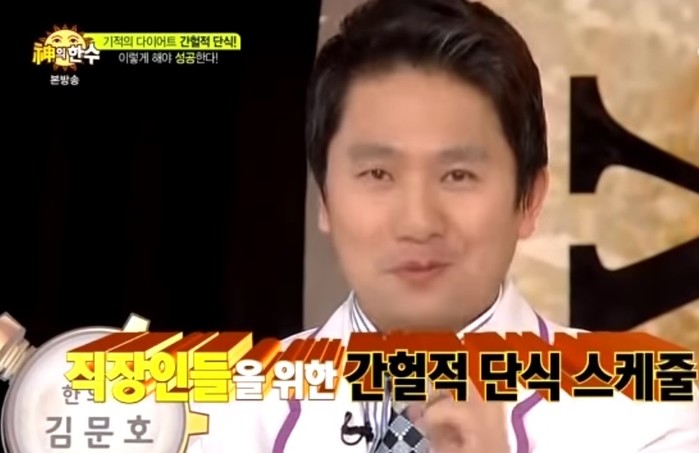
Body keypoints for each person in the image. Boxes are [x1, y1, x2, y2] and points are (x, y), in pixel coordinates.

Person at [188, 0, 699, 451]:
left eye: (458, 175)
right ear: (323, 196)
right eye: (378, 173)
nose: (418, 222)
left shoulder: (654, 407)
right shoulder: (217, 414)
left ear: (530, 199)